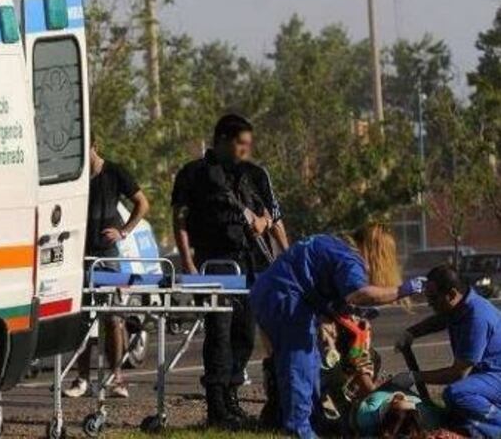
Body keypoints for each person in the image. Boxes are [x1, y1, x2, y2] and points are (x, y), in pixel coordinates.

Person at [250, 224, 424, 439]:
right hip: (285, 299)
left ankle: (312, 421)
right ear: (377, 251)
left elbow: (331, 294)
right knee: (300, 365)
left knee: (309, 364)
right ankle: (299, 428)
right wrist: (402, 290)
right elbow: (359, 295)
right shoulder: (350, 259)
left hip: (277, 294)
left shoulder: (334, 246)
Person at [171, 113, 286, 427]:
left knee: (244, 334)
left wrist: (276, 245)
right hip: (215, 264)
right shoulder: (195, 173)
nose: (246, 150)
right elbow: (180, 219)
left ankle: (232, 398)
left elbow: (270, 218)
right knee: (219, 334)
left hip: (251, 265)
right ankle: (217, 407)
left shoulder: (252, 174)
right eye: (240, 143)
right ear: (222, 140)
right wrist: (188, 262)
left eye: (249, 144)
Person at [64, 136, 150, 399]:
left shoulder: (115, 172)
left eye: (84, 149)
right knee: (82, 319)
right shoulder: (75, 175)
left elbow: (142, 203)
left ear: (94, 147)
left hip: (108, 256)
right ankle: (82, 378)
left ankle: (117, 378)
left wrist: (123, 232)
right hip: (81, 255)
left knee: (113, 318)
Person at [395, 264, 501, 438]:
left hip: (496, 376)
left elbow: (458, 374)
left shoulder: (477, 318)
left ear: (451, 294)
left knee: (458, 393)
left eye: (433, 298)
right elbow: (441, 320)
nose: (429, 303)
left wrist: (415, 377)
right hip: (487, 374)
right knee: (454, 412)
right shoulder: (460, 307)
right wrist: (411, 332)